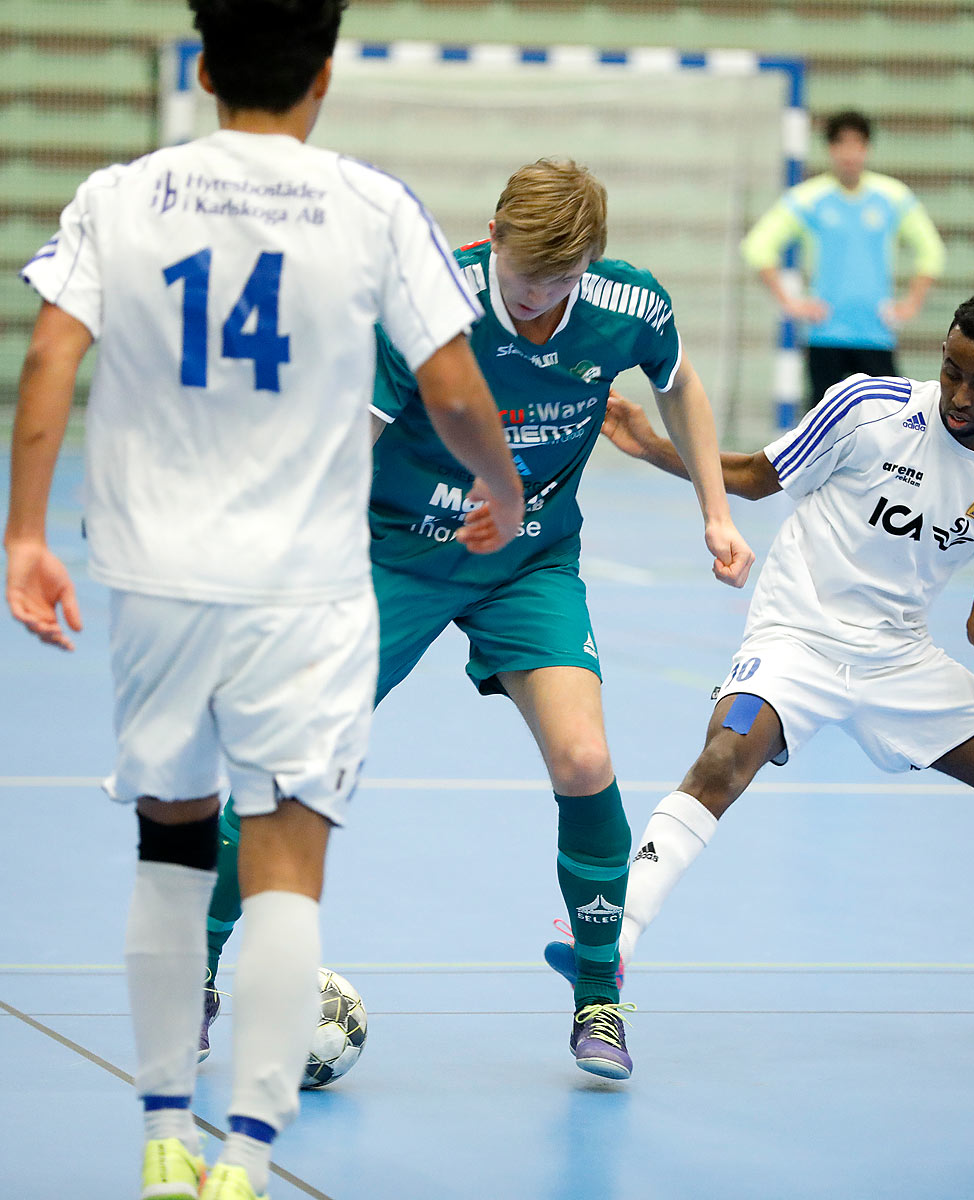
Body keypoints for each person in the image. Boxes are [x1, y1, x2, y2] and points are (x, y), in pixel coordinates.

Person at [4, 1, 524, 1197]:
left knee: (170, 850)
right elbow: (449, 389)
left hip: (155, 578)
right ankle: (245, 1161)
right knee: (288, 861)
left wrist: (27, 532)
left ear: (202, 66)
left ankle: (159, 1138)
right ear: (324, 77)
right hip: (305, 588)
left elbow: (49, 356)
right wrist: (499, 486)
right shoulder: (373, 204)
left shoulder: (119, 195)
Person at [200, 157, 755, 1082]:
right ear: (491, 236)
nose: (541, 300)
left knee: (585, 760)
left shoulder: (629, 304)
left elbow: (681, 384)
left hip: (529, 561)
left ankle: (599, 997)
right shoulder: (424, 300)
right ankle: (200, 972)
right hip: (397, 556)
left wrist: (715, 510)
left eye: (563, 281)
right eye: (527, 277)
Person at [569, 294, 974, 1041]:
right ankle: (610, 948)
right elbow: (759, 477)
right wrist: (654, 446)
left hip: (899, 658)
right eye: (951, 370)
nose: (959, 394)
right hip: (797, 634)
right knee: (723, 760)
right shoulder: (868, 407)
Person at [743, 109, 946, 412]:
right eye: (841, 144)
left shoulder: (893, 197)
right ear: (830, 149)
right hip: (825, 333)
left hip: (876, 333)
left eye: (857, 144)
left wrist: (911, 303)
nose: (849, 153)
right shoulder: (808, 198)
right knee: (822, 425)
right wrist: (790, 302)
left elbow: (932, 251)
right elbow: (758, 247)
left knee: (889, 421)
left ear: (867, 148)